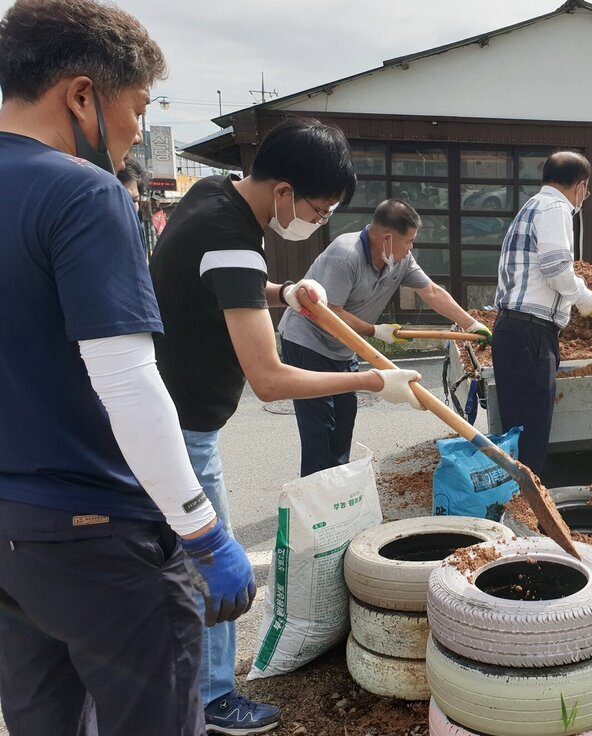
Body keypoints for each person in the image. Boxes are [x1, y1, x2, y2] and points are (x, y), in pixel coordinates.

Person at [0, 2, 256, 735]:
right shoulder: (81, 193)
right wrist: (203, 531)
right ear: (82, 95)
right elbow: (128, 382)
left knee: (43, 720)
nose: (139, 131)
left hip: (12, 539)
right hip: (98, 533)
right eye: (138, 108)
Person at [149, 117, 423, 734]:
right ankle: (215, 699)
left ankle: (186, 689)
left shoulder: (210, 198)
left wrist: (282, 291)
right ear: (281, 191)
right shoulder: (232, 235)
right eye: (318, 207)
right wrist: (370, 381)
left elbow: (221, 287)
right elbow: (269, 380)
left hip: (175, 420)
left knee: (176, 570)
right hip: (185, 431)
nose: (319, 221)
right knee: (214, 576)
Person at [279, 198, 492, 475]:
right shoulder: (345, 255)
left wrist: (470, 325)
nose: (411, 247)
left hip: (343, 348)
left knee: (343, 421)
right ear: (388, 239)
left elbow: (432, 292)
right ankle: (316, 503)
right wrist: (375, 331)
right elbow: (329, 313)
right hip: (307, 344)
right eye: (410, 241)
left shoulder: (399, 259)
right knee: (319, 429)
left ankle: (336, 489)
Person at [491, 151, 592, 472]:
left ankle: (515, 506)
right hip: (531, 335)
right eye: (587, 190)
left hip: (514, 331)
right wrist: (586, 300)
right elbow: (556, 267)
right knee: (531, 437)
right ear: (581, 186)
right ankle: (528, 511)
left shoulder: (531, 207)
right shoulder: (556, 208)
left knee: (517, 432)